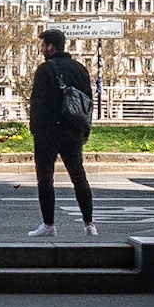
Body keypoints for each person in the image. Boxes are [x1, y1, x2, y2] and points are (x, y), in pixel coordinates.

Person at [27, 26, 98, 240]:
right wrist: (84, 130)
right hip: (72, 132)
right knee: (79, 177)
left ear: (50, 46)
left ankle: (48, 224)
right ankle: (89, 224)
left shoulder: (45, 70)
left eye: (42, 45)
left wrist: (35, 130)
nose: (41, 49)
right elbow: (87, 103)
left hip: (48, 133)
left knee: (46, 179)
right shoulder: (79, 69)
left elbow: (37, 104)